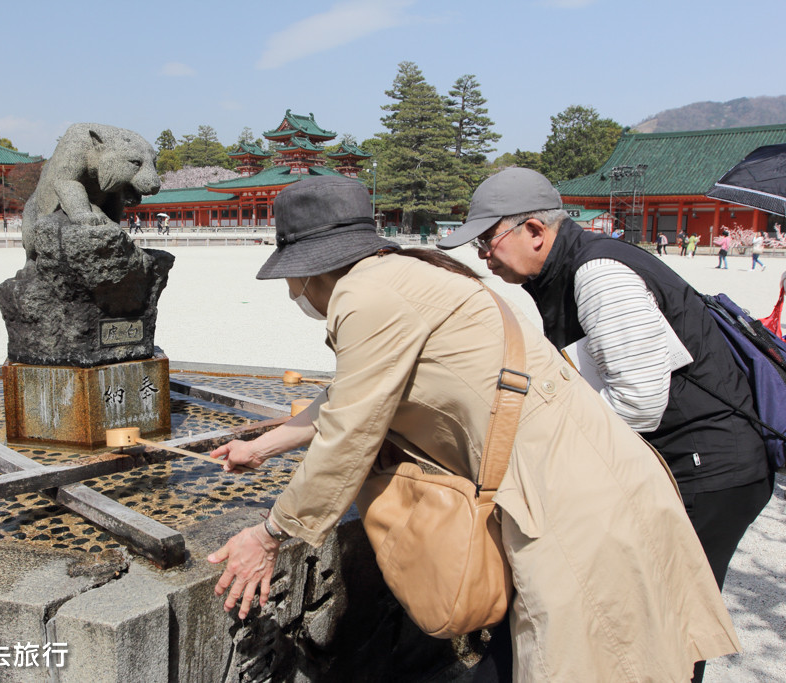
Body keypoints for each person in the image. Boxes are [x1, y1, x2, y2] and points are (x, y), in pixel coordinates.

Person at [208, 176, 739, 682]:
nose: (295, 291)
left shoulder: (364, 296)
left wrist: (270, 534)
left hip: (565, 495)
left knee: (588, 657)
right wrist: (269, 443)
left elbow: (348, 434)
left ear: (311, 267)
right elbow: (357, 392)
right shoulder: (402, 274)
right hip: (584, 471)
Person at [438, 168, 773, 681]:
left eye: (488, 240)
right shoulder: (571, 266)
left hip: (708, 468)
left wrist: (551, 456)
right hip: (683, 459)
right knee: (655, 616)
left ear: (534, 230)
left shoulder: (598, 274)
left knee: (669, 619)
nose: (483, 255)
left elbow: (639, 402)